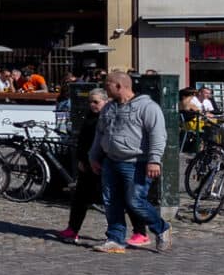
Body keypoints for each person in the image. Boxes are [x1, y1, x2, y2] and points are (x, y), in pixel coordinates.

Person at [89, 71, 173, 254]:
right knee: (111, 201)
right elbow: (100, 133)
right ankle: (115, 239)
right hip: (111, 161)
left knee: (135, 201)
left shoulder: (148, 107)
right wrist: (93, 156)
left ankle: (161, 228)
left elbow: (158, 135)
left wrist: (154, 160)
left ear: (119, 86)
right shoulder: (109, 108)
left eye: (107, 84)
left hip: (137, 162)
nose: (105, 87)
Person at [57, 87, 112, 242]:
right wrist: (82, 159)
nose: (92, 105)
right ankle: (72, 229)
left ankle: (114, 234)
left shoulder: (107, 117)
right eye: (90, 102)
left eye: (96, 102)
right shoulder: (89, 117)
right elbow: (83, 141)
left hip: (103, 163)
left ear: (105, 101)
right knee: (80, 198)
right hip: (87, 163)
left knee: (109, 201)